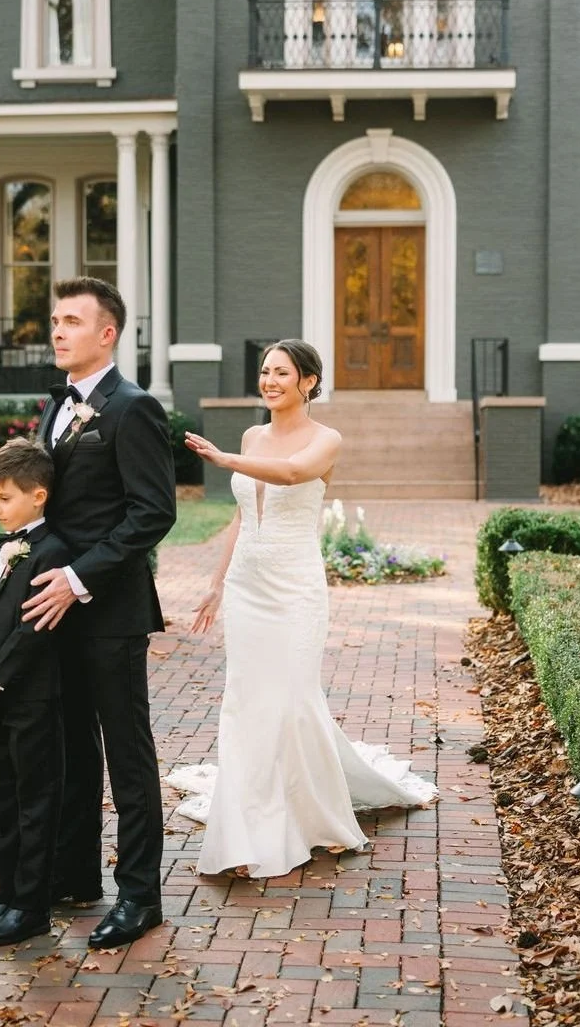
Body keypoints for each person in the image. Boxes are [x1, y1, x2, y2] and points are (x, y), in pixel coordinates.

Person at [168, 340, 437, 880]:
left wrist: (222, 459)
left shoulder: (326, 439)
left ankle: (304, 810)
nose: (269, 381)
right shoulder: (252, 435)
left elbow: (290, 475)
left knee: (291, 699)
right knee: (246, 701)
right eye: (264, 372)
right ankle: (248, 827)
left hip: (295, 590)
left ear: (308, 382)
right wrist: (217, 585)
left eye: (281, 373)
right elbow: (244, 518)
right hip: (248, 585)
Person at [21, 277, 177, 949]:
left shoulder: (131, 407)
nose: (58, 331)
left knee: (127, 755)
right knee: (72, 750)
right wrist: (10, 557)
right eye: (54, 320)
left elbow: (153, 512)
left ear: (106, 333)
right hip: (55, 611)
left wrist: (80, 578)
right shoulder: (56, 408)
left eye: (72, 321)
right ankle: (77, 874)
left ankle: (139, 897)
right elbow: (47, 508)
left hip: (110, 610)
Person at [0, 437, 73, 945]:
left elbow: (34, 630)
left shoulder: (53, 550)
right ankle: (6, 897)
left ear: (38, 495)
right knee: (5, 798)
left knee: (36, 801)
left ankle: (31, 906)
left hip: (31, 698)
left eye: (5, 498)